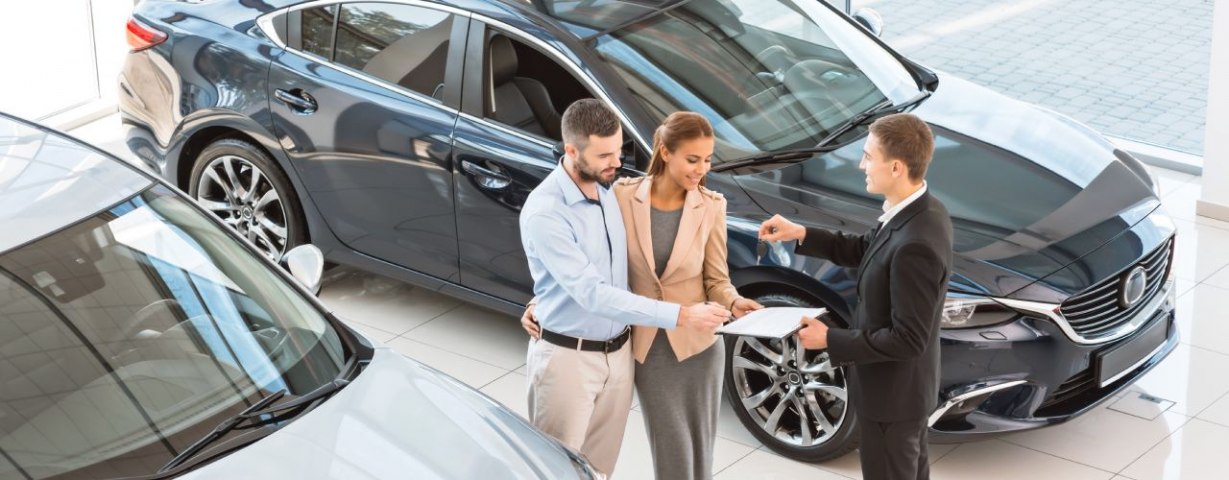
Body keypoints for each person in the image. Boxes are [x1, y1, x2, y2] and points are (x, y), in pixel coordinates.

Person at [524, 112, 762, 479]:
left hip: (693, 345)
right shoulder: (618, 196)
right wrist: (539, 300)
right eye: (692, 159)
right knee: (651, 446)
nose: (701, 169)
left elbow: (716, 278)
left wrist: (732, 301)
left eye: (708, 160)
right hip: (644, 346)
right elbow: (587, 277)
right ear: (665, 153)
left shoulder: (710, 205)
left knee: (691, 450)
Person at [758, 113, 953, 480]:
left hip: (893, 400)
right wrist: (800, 233)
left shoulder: (916, 245)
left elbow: (908, 339)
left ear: (895, 167)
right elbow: (867, 249)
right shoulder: (920, 211)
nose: (861, 164)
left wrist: (829, 338)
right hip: (901, 392)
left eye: (868, 156)